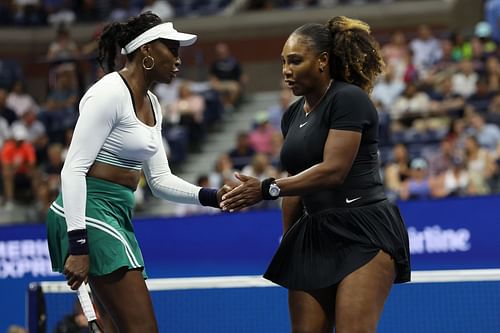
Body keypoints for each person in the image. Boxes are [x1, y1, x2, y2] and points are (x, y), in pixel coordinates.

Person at [221, 16, 411, 333]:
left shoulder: (349, 98)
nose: (286, 70)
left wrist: (267, 189)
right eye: (283, 62)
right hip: (313, 235)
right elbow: (295, 184)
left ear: (323, 60)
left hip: (363, 231)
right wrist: (289, 239)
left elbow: (333, 171)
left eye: (295, 61)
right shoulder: (292, 114)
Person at [45, 12, 228, 333]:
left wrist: (214, 196)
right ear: (146, 50)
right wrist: (78, 245)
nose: (178, 59)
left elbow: (159, 181)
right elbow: (72, 169)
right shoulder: (109, 93)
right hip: (89, 213)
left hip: (116, 212)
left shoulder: (154, 103)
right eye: (171, 49)